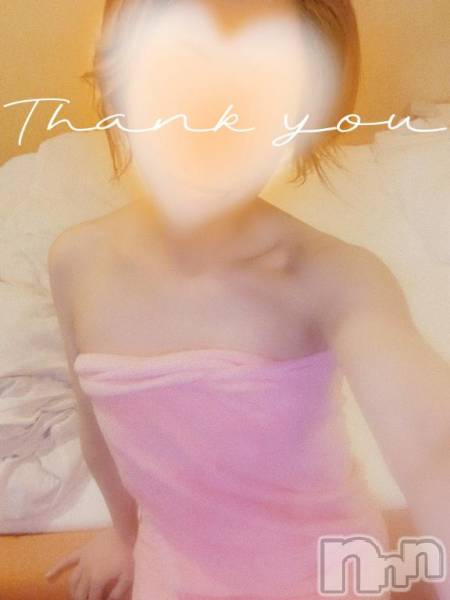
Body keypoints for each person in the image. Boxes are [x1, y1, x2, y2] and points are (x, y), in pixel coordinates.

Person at [45, 1, 450, 599]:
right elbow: (100, 436)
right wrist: (124, 534)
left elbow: (432, 450)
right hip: (175, 567)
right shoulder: (76, 260)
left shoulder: (335, 276)